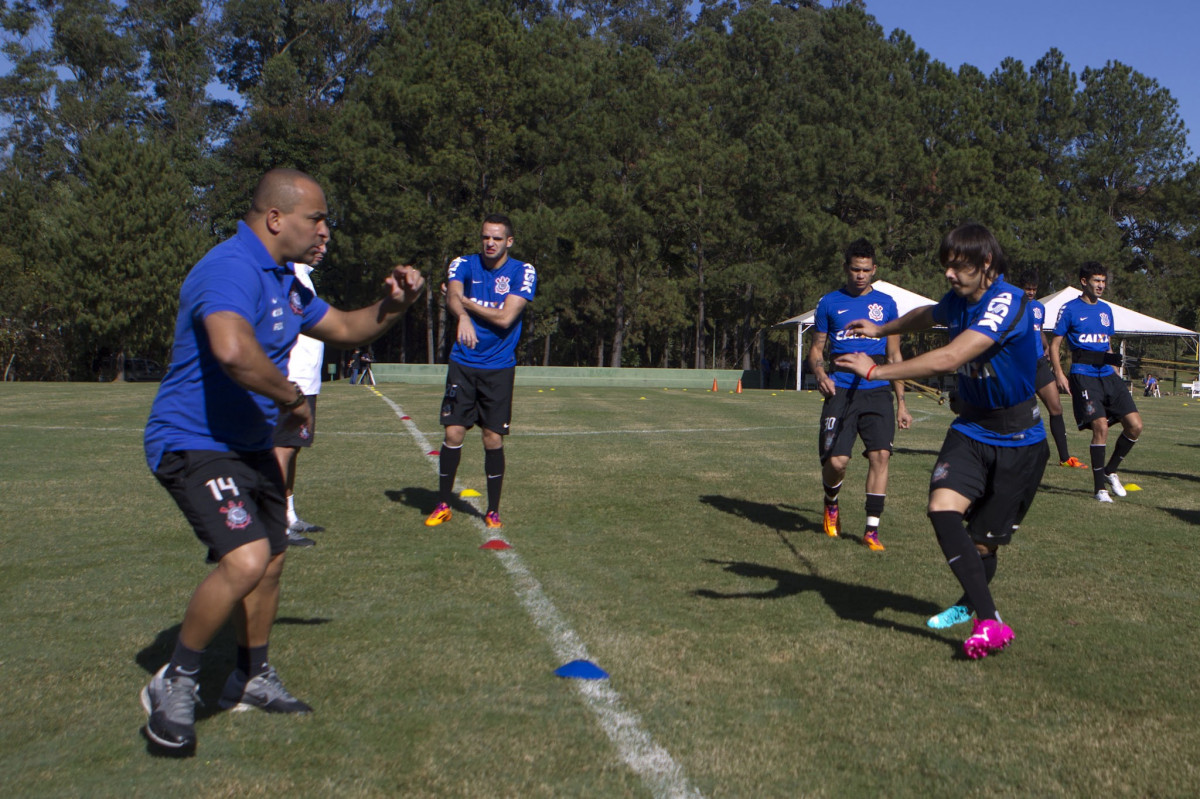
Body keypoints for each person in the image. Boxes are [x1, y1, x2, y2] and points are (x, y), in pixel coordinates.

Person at [140, 168, 425, 752]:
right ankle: (176, 678)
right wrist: (294, 400)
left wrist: (394, 304)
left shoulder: (287, 283)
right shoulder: (230, 268)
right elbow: (232, 350)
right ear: (276, 218)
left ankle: (250, 677)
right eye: (316, 218)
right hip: (194, 442)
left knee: (270, 561)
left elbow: (347, 327)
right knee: (244, 561)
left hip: (247, 444)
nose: (324, 229)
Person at [835, 223, 1048, 659]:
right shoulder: (958, 300)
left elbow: (951, 356)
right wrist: (881, 330)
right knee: (941, 508)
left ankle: (972, 603)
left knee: (984, 543)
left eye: (958, 266)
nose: (949, 275)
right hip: (971, 429)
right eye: (946, 266)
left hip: (1019, 439)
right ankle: (990, 621)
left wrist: (876, 370)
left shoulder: (1006, 301)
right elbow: (929, 314)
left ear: (985, 262)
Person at [425, 213, 537, 530]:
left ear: (509, 242)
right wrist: (460, 316)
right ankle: (443, 503)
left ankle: (492, 510)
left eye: (497, 238)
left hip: (498, 367)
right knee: (453, 432)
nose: (490, 243)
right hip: (463, 362)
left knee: (492, 438)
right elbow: (452, 294)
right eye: (486, 237)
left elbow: (504, 319)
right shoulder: (463, 263)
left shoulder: (523, 271)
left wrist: (465, 305)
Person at [807, 238, 912, 552]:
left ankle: (871, 530)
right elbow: (816, 350)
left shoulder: (888, 305)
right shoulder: (828, 303)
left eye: (866, 270)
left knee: (880, 456)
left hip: (878, 390)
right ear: (846, 268)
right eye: (855, 269)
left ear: (874, 269)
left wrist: (902, 403)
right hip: (840, 389)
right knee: (837, 462)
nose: (860, 275)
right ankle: (831, 502)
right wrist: (821, 374)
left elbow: (895, 357)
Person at [1049, 262, 1143, 503]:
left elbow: (1107, 345)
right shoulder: (1069, 309)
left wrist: (1114, 369)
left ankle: (1110, 471)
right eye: (1096, 281)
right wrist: (1060, 374)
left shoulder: (1106, 311)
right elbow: (1055, 344)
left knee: (1135, 426)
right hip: (1083, 374)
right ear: (1084, 281)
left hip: (1108, 376)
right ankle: (1099, 489)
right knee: (1100, 426)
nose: (1101, 285)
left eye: (1103, 281)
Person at [272, 246, 328, 548]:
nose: (322, 249)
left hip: (307, 382)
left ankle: (289, 515)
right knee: (282, 450)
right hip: (290, 381)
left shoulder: (303, 277)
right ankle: (276, 524)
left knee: (293, 449)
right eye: (317, 244)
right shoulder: (287, 274)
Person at [1017, 270, 1086, 470]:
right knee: (1022, 412)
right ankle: (1015, 453)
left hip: (1039, 363)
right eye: (1027, 289)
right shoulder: (1013, 306)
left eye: (1034, 289)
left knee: (1056, 407)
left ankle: (1065, 458)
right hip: (1020, 365)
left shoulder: (1039, 308)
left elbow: (1038, 330)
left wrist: (1046, 346)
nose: (1030, 292)